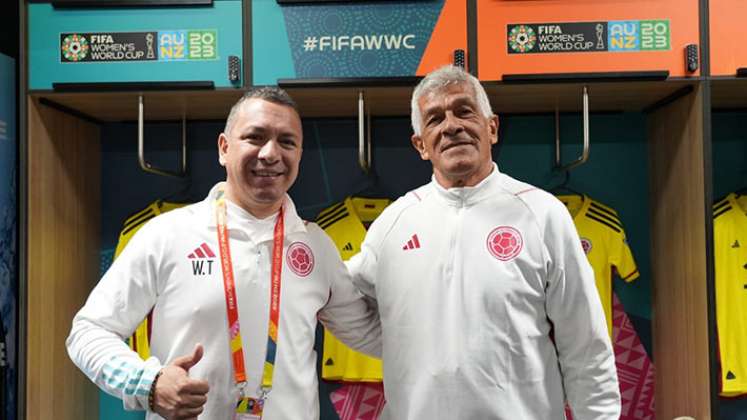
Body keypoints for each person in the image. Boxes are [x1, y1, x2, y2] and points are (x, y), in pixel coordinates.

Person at [66, 87, 381, 420]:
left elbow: (368, 334)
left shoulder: (316, 245)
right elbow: (88, 332)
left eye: (287, 142)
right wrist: (148, 383)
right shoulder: (167, 234)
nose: (271, 153)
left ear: (299, 155)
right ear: (223, 148)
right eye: (255, 137)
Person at [346, 65, 620, 419]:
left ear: (491, 128)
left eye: (464, 111)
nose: (451, 126)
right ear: (421, 145)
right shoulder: (394, 223)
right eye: (434, 119)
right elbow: (340, 301)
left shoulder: (542, 214)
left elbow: (585, 343)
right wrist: (402, 346)